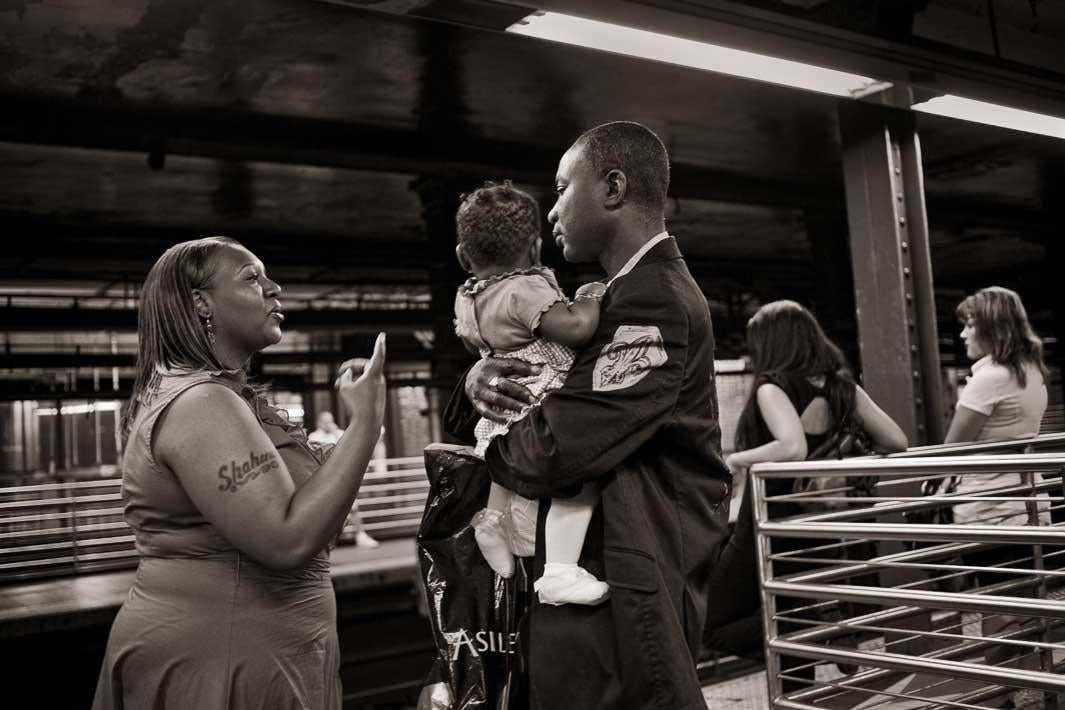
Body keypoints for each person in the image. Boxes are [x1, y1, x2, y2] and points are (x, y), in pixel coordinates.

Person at [443, 121, 730, 710]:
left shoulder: (653, 300)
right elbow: (525, 394)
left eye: (561, 187)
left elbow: (557, 446)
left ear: (614, 188)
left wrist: (488, 444)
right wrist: (475, 381)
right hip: (588, 585)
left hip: (624, 592)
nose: (550, 212)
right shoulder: (611, 297)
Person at [93, 237, 387, 710]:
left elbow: (297, 500)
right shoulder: (203, 404)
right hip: (224, 655)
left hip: (246, 645)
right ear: (201, 304)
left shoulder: (215, 397)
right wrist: (366, 424)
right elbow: (286, 539)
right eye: (252, 278)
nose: (274, 288)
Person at [703, 300, 907, 684]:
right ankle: (816, 633)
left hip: (772, 520)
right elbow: (897, 441)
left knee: (710, 623)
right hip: (821, 526)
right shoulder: (841, 385)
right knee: (787, 618)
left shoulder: (773, 386)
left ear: (772, 343)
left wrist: (739, 459)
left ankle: (821, 630)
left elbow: (791, 446)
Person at [453, 180, 609, 605]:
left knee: (504, 468)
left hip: (503, 410)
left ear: (464, 256)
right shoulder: (525, 289)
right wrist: (590, 295)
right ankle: (560, 569)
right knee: (580, 480)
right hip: (541, 400)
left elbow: (480, 345)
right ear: (537, 249)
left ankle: (491, 524)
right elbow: (576, 328)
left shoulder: (468, 299)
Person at [942, 286, 1049, 700]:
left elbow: (951, 450)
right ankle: (1032, 691)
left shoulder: (989, 378)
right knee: (1022, 608)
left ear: (990, 327)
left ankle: (1005, 696)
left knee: (996, 606)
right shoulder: (1030, 370)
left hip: (988, 510)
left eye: (970, 325)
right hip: (1025, 505)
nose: (964, 335)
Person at [310, 411, 380, 548]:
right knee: (325, 512)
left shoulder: (339, 433)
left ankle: (360, 535)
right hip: (324, 479)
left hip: (341, 477)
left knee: (352, 507)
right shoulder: (314, 437)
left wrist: (336, 433)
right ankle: (321, 543)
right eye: (325, 421)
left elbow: (351, 448)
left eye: (330, 420)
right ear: (319, 423)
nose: (328, 423)